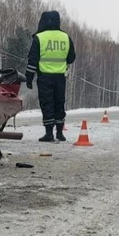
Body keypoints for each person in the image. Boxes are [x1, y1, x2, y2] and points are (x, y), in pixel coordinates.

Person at [25, 10, 76, 142]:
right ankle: (60, 132)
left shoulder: (39, 38)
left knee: (47, 103)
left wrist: (29, 78)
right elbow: (71, 58)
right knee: (59, 103)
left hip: (44, 77)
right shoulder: (66, 37)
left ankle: (49, 133)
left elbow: (32, 60)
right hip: (60, 77)